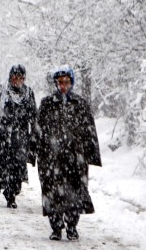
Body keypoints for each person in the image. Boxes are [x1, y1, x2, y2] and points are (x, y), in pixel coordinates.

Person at [33, 65, 102, 241]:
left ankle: (72, 226)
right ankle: (56, 227)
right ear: (56, 84)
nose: (63, 85)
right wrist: (33, 150)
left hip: (74, 157)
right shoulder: (47, 103)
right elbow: (38, 128)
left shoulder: (80, 104)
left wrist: (90, 153)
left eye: (66, 82)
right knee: (52, 192)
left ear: (71, 82)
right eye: (60, 82)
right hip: (51, 157)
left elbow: (89, 130)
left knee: (74, 192)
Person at [0, 64, 38, 209]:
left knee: (17, 169)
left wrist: (35, 136)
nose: (17, 80)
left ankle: (11, 195)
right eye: (14, 77)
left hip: (19, 139)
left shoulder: (28, 94)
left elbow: (34, 117)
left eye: (20, 78)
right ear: (10, 77)